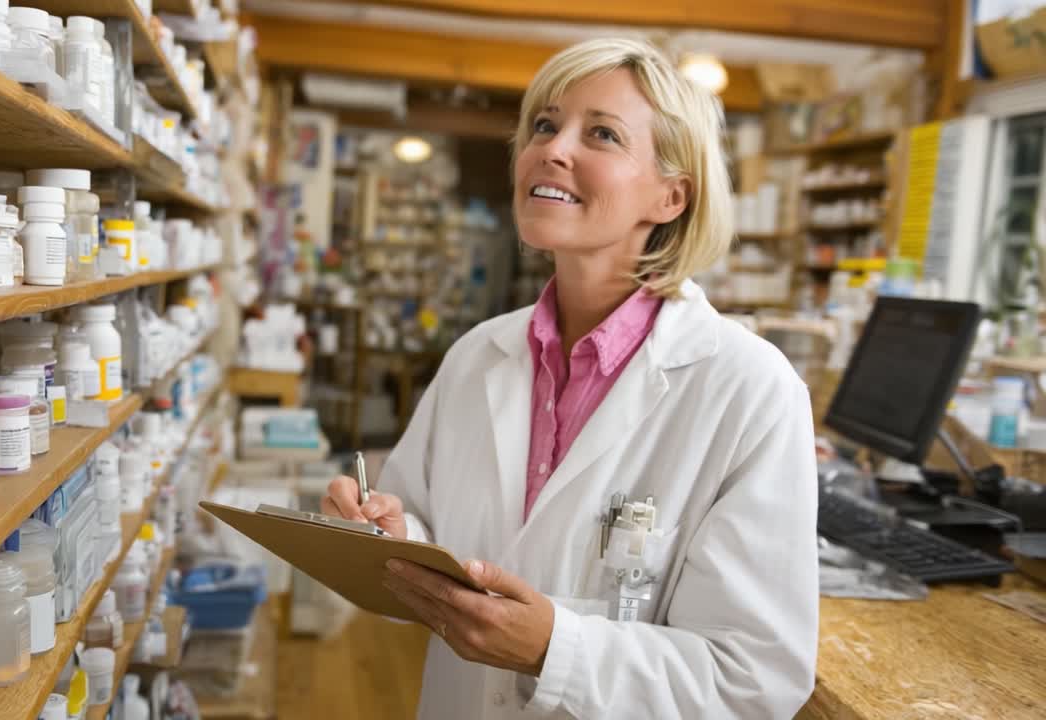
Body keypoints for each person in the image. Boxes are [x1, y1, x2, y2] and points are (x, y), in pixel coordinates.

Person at [322, 37, 818, 719]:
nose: (552, 149)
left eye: (603, 134)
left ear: (672, 196)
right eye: (545, 125)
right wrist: (385, 532)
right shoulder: (478, 357)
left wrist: (555, 650)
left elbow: (753, 677)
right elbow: (422, 521)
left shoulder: (749, 390)